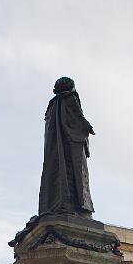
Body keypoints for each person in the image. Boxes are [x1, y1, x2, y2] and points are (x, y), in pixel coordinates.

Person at [38, 76, 95, 217]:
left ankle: (58, 203)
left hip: (56, 150)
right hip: (71, 145)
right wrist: (87, 127)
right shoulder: (70, 98)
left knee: (57, 173)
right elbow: (79, 118)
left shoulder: (52, 106)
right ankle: (76, 206)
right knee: (75, 174)